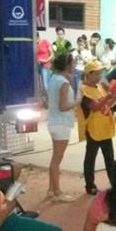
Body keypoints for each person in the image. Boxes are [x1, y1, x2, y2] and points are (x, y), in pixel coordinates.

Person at [77, 60, 116, 195]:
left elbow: (107, 104)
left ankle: (114, 183)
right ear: (88, 74)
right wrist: (107, 98)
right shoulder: (83, 90)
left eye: (100, 73)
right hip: (93, 129)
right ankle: (90, 185)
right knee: (91, 158)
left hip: (105, 128)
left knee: (110, 158)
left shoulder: (99, 87)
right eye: (96, 74)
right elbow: (94, 107)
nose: (99, 76)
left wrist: (115, 96)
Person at [46, 53, 78, 202]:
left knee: (55, 158)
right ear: (67, 65)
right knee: (57, 160)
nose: (75, 65)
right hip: (61, 124)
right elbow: (63, 106)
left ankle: (51, 189)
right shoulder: (63, 82)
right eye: (73, 63)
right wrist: (77, 102)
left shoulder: (54, 78)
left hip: (54, 122)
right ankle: (57, 192)